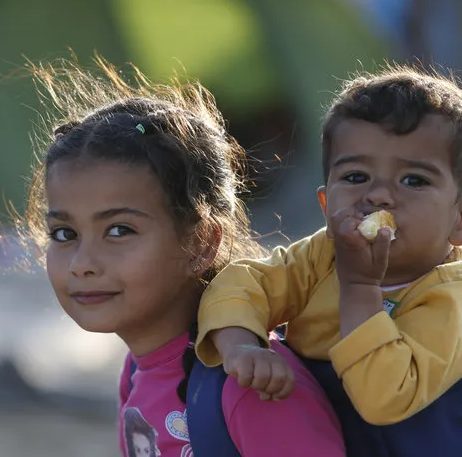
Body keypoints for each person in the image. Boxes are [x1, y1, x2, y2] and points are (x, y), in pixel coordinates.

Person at [16, 55, 345, 456]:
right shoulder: (138, 371)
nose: (83, 262)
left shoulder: (250, 381)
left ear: (202, 243)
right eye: (64, 233)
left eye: (119, 230)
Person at [195, 64, 462, 456]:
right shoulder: (323, 255)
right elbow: (244, 283)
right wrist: (242, 347)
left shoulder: (450, 298)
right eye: (355, 177)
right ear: (325, 204)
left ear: (459, 220)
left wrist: (359, 287)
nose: (379, 196)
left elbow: (383, 397)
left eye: (414, 180)